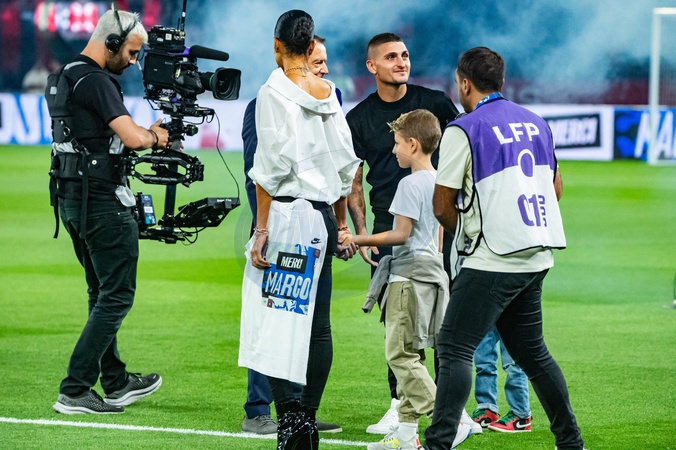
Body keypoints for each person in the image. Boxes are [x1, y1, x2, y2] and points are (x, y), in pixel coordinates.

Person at [422, 46, 585, 450]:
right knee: (533, 354)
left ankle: (438, 443)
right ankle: (570, 442)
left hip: (492, 258)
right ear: (501, 81)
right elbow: (555, 189)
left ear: (465, 83)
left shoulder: (464, 128)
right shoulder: (536, 123)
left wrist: (471, 235)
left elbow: (442, 205)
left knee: (454, 347)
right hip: (536, 253)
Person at [345, 32, 480, 436]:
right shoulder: (359, 118)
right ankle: (400, 409)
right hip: (389, 226)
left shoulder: (435, 102)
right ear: (372, 66)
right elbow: (354, 179)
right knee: (398, 323)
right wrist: (362, 229)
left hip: (439, 223)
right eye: (391, 56)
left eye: (404, 55)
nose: (401, 62)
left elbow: (466, 150)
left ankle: (453, 408)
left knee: (444, 322)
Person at [246, 10, 360, 449]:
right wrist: (341, 224)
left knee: (276, 320)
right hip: (322, 218)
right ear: (311, 45)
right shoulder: (329, 94)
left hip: (287, 216)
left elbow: (269, 168)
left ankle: (291, 422)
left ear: (278, 45)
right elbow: (347, 166)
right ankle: (307, 419)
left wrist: (262, 229)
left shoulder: (273, 90)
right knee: (319, 327)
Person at [48, 7, 169, 414]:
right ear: (112, 42)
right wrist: (157, 136)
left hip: (73, 200)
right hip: (102, 203)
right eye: (131, 52)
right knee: (116, 295)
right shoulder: (97, 81)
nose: (133, 62)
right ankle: (75, 388)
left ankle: (115, 381)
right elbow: (132, 138)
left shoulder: (64, 75)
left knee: (100, 292)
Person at [471, 327, 533, 433]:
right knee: (483, 361)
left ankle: (521, 416)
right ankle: (487, 410)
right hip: (483, 316)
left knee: (512, 362)